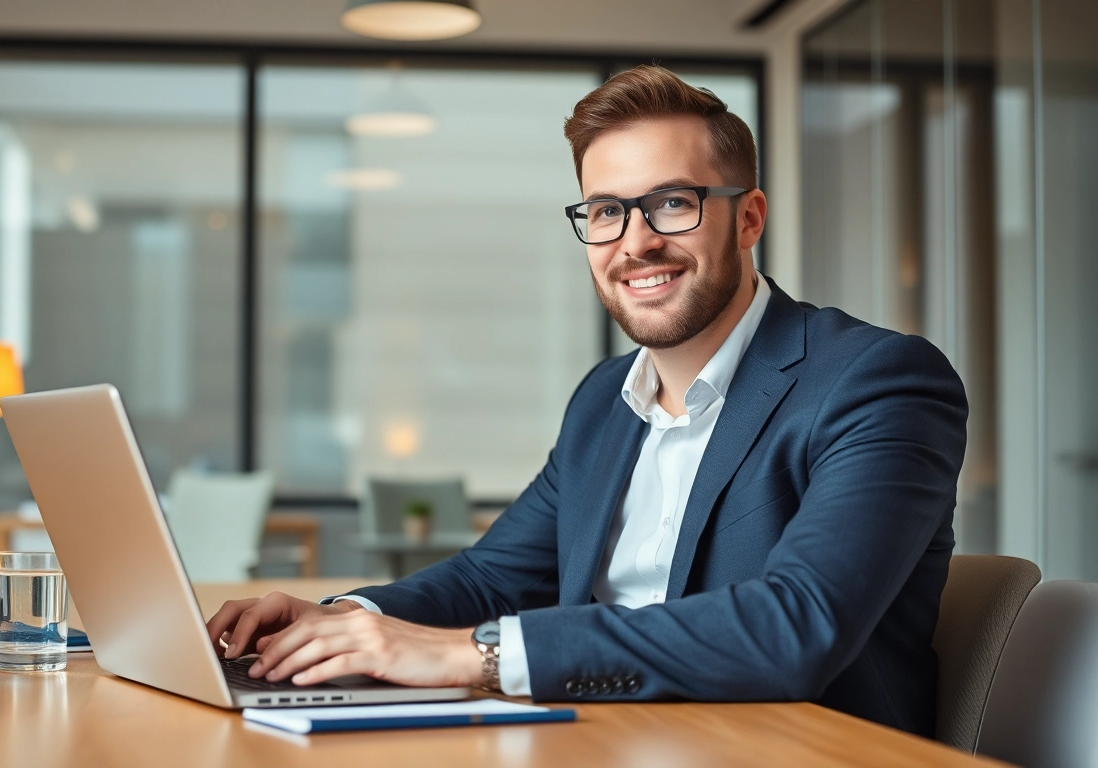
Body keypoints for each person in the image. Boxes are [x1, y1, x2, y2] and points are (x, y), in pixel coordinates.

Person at [206, 65, 967, 736]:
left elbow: (795, 627)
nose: (634, 242)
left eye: (672, 203)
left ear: (748, 219)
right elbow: (490, 579)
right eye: (606, 211)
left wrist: (471, 654)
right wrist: (346, 622)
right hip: (599, 740)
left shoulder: (879, 381)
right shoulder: (605, 400)